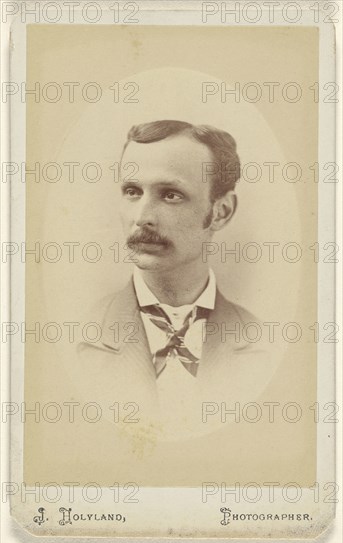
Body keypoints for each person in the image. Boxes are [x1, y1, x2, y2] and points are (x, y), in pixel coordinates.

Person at [78, 120, 270, 428]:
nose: (142, 218)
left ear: (221, 212)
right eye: (132, 191)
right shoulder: (78, 336)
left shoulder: (265, 344)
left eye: (170, 195)